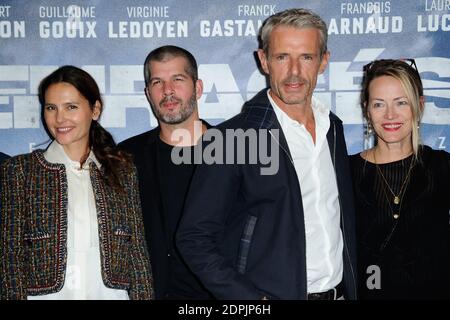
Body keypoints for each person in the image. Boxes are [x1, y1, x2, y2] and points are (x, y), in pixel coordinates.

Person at [176, 8, 357, 300]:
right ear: (264, 61)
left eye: (306, 57)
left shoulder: (332, 129)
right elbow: (194, 239)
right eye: (282, 57)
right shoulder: (231, 140)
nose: (294, 72)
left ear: (323, 62)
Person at [0, 66, 153, 300]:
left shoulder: (122, 171)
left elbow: (137, 254)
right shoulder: (21, 170)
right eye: (51, 108)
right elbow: (10, 256)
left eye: (71, 107)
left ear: (95, 109)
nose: (60, 118)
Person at [350, 59, 450, 299]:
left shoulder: (441, 166)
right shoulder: (344, 172)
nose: (390, 115)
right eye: (379, 104)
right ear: (367, 109)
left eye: (401, 103)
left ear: (419, 105)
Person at [119, 45, 213, 299]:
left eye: (177, 79)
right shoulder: (126, 157)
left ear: (198, 87)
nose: (167, 91)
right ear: (148, 93)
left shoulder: (236, 152)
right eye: (157, 82)